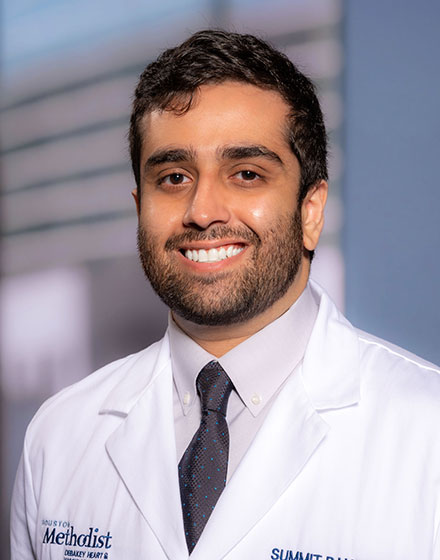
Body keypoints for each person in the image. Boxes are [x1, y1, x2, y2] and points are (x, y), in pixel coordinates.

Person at [11, 29, 440, 560]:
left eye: (246, 173)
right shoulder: (58, 438)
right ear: (139, 207)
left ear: (310, 211)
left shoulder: (426, 433)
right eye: (174, 177)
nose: (202, 210)